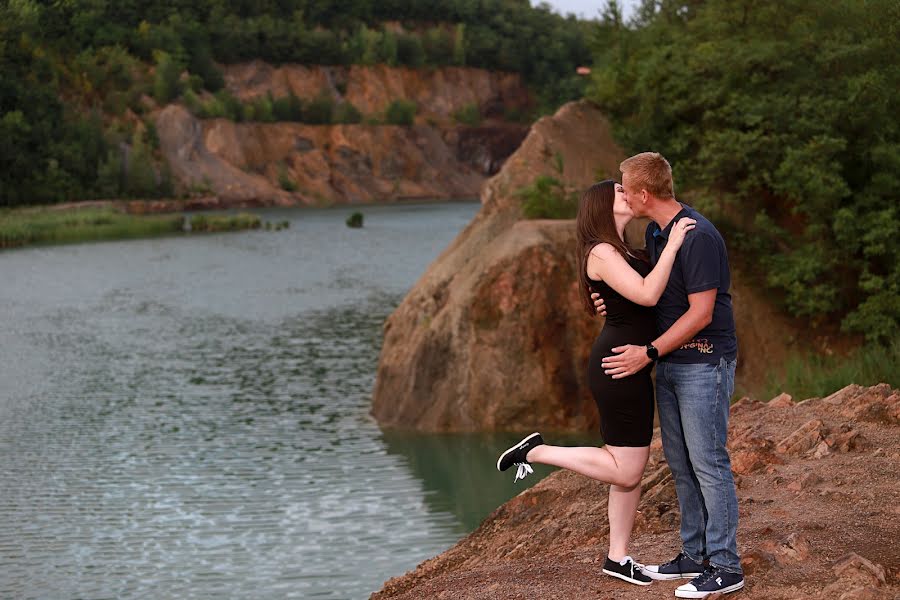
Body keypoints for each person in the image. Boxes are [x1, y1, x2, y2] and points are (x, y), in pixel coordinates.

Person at [496, 179, 696, 587]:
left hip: (632, 363)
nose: (628, 192)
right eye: (620, 190)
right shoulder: (603, 252)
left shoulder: (621, 250)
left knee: (630, 471)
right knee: (625, 471)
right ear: (602, 206)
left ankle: (617, 557)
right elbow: (644, 293)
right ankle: (536, 452)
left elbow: (629, 295)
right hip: (619, 365)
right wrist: (673, 245)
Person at [596, 152, 744, 598]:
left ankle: (726, 565)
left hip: (704, 362)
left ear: (643, 194)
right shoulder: (658, 233)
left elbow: (700, 314)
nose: (620, 192)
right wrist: (605, 303)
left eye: (624, 186)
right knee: (681, 466)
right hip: (672, 365)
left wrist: (649, 353)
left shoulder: (697, 236)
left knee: (709, 464)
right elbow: (646, 290)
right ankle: (694, 555)